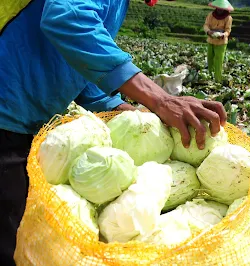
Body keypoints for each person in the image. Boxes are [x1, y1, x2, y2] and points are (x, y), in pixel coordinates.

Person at [0, 0, 227, 264]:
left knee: (18, 226)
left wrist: (120, 108)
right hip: (7, 114)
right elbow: (66, 18)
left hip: (25, 120)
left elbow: (74, 61)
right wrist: (159, 99)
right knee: (9, 238)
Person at [203, 0, 233, 83]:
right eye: (218, 8)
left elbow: (228, 30)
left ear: (224, 9)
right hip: (211, 39)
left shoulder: (228, 18)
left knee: (218, 60)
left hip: (221, 42)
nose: (219, 10)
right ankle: (209, 76)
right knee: (209, 59)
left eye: (221, 8)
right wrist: (209, 31)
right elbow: (206, 25)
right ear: (216, 7)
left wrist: (223, 35)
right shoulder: (210, 15)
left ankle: (217, 80)